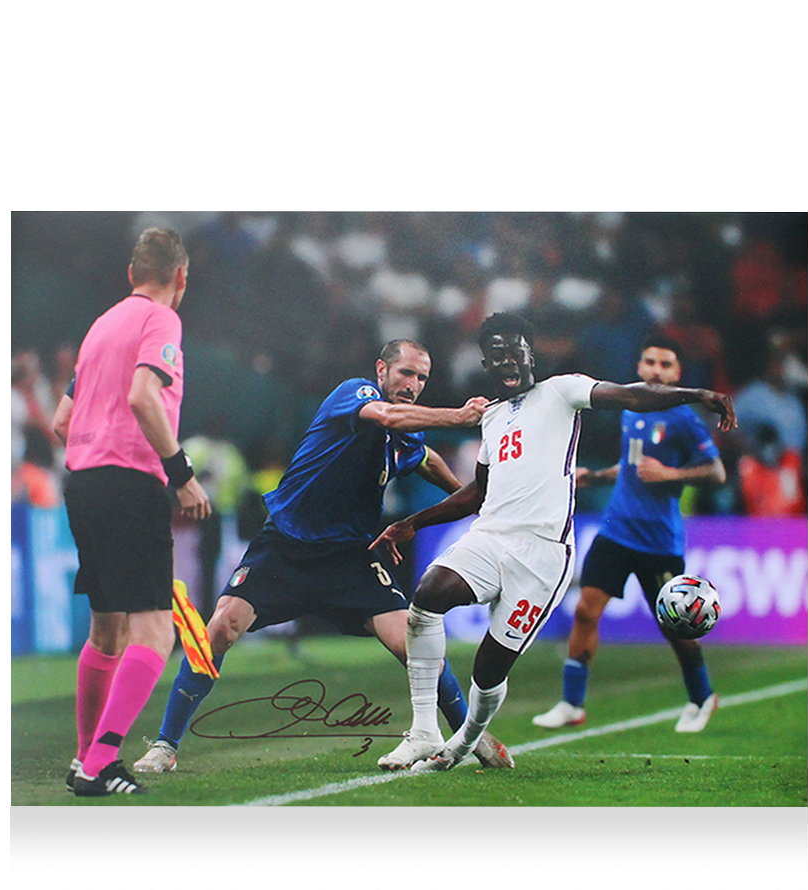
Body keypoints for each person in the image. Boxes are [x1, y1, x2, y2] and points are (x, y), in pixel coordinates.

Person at [371, 313, 736, 772]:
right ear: (486, 364)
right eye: (497, 354)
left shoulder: (562, 391)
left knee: (488, 670)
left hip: (542, 556)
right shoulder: (492, 417)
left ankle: (464, 744)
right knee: (428, 595)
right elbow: (479, 491)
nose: (507, 360)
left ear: (531, 354)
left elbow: (631, 395)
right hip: (490, 537)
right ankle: (425, 731)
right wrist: (414, 522)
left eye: (515, 350)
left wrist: (697, 394)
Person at [133, 339, 515, 775]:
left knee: (415, 646)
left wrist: (476, 502)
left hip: (350, 558)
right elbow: (388, 417)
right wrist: (459, 416)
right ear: (382, 370)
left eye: (422, 378)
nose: (413, 384)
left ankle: (471, 734)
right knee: (219, 628)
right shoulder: (356, 394)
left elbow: (424, 459)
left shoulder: (408, 433)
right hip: (285, 547)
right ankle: (164, 745)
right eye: (406, 373)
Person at [52, 228, 212, 796]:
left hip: (83, 483)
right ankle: (100, 761)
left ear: (131, 274)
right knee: (157, 632)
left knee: (107, 632)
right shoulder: (161, 320)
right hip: (129, 482)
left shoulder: (101, 326)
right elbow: (144, 395)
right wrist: (182, 475)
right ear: (181, 278)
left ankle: (84, 759)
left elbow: (62, 421)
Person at [532, 333, 728, 735]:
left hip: (657, 540)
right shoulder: (631, 409)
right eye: (650, 362)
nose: (656, 370)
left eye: (665, 364)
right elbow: (632, 466)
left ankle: (701, 696)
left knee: (674, 626)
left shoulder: (684, 419)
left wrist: (671, 473)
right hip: (616, 529)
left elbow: (717, 472)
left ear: (677, 373)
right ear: (639, 366)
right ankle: (571, 703)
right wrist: (596, 476)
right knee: (586, 611)